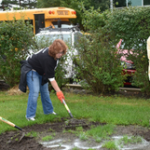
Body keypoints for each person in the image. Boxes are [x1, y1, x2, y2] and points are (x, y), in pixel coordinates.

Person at [19, 39, 68, 121]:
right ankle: (30, 116)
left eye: (62, 52)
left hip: (42, 71)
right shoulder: (47, 58)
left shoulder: (55, 56)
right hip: (31, 69)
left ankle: (49, 111)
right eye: (59, 52)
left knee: (45, 92)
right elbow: (52, 79)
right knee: (34, 92)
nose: (60, 54)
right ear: (54, 50)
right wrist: (59, 92)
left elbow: (50, 71)